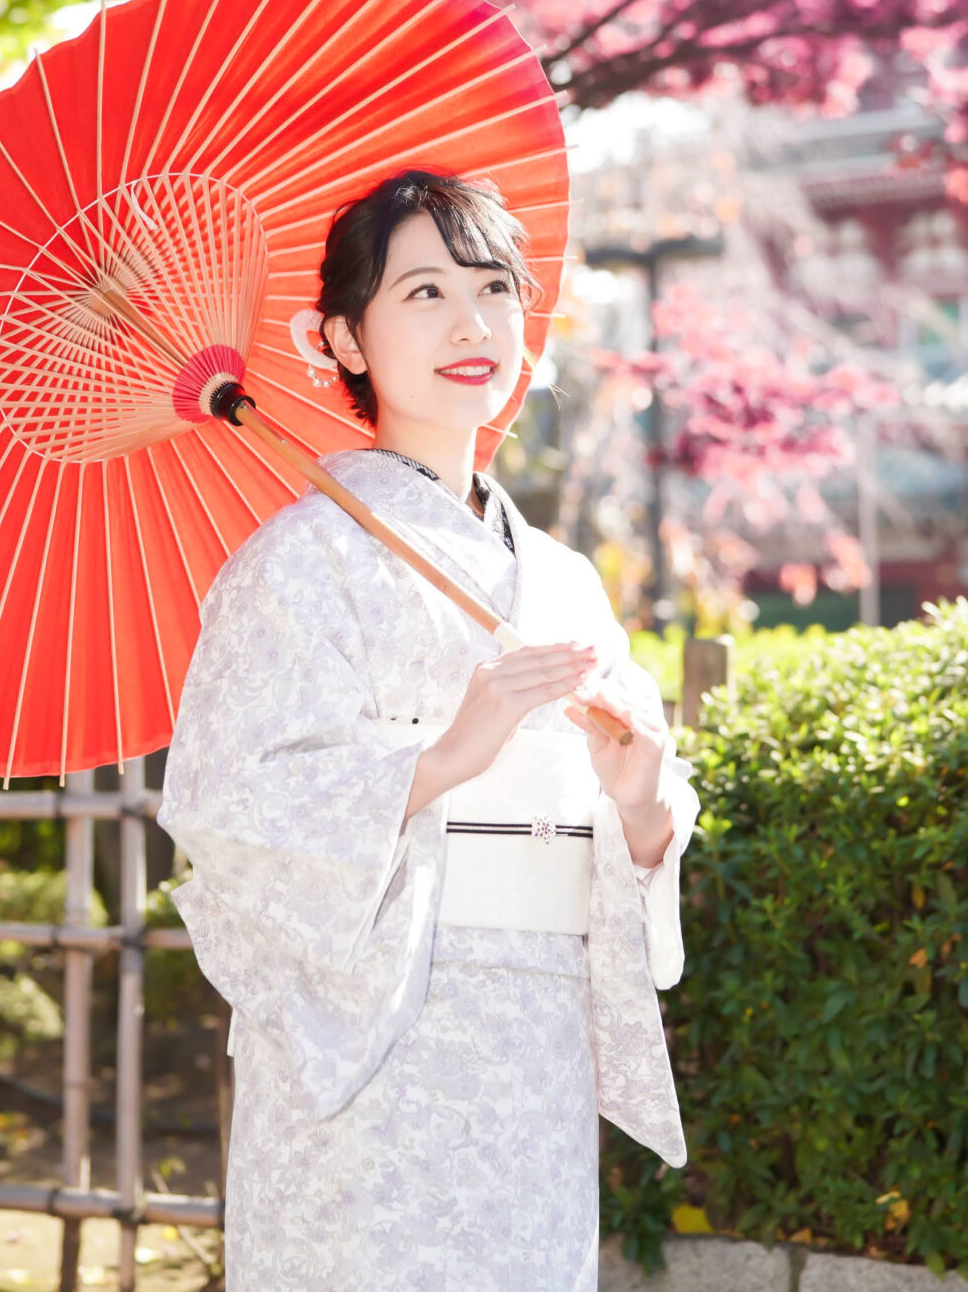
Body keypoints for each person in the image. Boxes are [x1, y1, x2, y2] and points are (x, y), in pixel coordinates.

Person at [158, 167, 700, 1292]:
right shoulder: (297, 562)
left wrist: (642, 805)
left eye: (495, 289)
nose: (471, 324)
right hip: (379, 1036)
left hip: (537, 1036)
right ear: (344, 340)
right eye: (422, 294)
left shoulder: (558, 576)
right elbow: (228, 804)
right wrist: (446, 755)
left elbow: (622, 841)